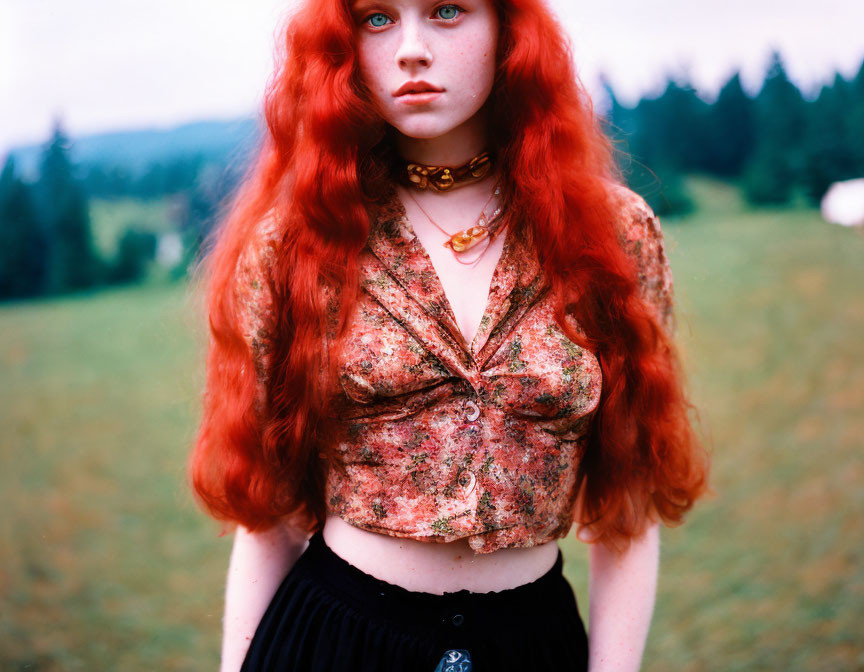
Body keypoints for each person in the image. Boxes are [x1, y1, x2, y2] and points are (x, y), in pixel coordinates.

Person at [187, 0, 711, 670]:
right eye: (377, 18)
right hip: (336, 643)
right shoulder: (298, 245)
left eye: (446, 11)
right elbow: (269, 519)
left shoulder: (612, 236)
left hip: (532, 645)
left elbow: (628, 507)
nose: (411, 48)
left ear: (507, 30)